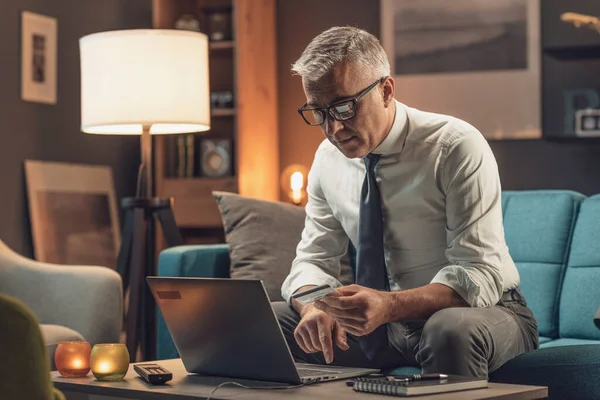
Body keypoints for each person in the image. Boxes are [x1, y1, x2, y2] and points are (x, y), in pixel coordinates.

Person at [274, 26, 539, 378]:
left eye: (344, 107)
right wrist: (313, 307)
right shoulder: (327, 158)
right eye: (318, 112)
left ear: (386, 90)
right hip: (381, 326)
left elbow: (480, 273)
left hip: (485, 312)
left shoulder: (454, 147)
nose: (332, 129)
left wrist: (389, 305)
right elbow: (312, 259)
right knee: (268, 322)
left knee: (448, 331)